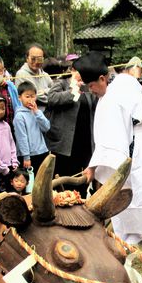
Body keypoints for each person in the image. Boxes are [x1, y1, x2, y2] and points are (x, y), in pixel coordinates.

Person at [74, 52, 142, 245]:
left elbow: (111, 139)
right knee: (136, 187)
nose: (91, 90)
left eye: (91, 86)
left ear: (102, 79)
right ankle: (131, 233)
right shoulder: (123, 81)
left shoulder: (113, 96)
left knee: (128, 188)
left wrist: (93, 166)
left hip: (133, 145)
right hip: (136, 142)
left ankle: (130, 234)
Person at [44, 64, 97, 195]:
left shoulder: (88, 86)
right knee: (64, 176)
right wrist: (73, 90)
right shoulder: (62, 82)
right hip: (65, 142)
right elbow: (51, 98)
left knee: (83, 178)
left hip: (85, 141)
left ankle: (80, 199)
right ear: (73, 70)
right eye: (80, 70)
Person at [13, 81, 50, 174]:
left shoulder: (37, 112)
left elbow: (46, 127)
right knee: (31, 180)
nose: (30, 99)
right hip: (29, 156)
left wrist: (37, 112)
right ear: (19, 97)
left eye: (32, 96)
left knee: (43, 178)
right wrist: (26, 157)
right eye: (27, 96)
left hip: (42, 151)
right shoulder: (19, 116)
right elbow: (22, 138)